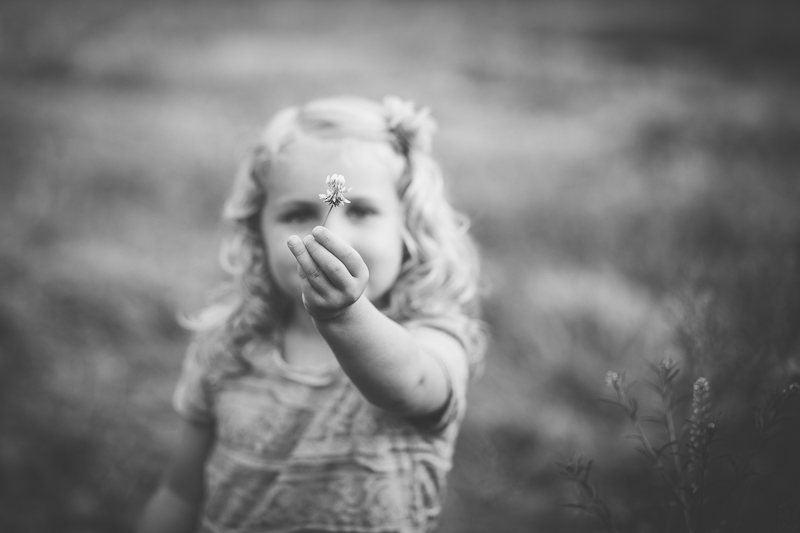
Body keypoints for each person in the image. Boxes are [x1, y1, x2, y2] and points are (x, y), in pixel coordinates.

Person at [136, 95, 485, 533]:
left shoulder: (430, 334)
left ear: (408, 229)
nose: (329, 236)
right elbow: (179, 493)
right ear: (256, 231)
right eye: (298, 214)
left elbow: (409, 386)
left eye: (359, 210)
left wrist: (345, 315)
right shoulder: (229, 344)